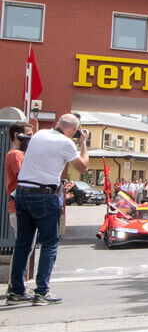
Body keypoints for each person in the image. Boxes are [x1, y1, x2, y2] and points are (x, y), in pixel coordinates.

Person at [7, 113, 89, 305]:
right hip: (44, 195)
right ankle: (41, 292)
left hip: (22, 192)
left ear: (56, 124)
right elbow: (83, 167)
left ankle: (16, 292)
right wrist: (83, 143)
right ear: (74, 130)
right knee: (49, 243)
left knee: (23, 243)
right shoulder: (66, 143)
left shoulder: (39, 135)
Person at [4, 121, 34, 240]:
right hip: (19, 205)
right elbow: (24, 175)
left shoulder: (20, 153)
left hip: (21, 205)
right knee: (24, 246)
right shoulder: (15, 154)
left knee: (25, 246)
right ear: (17, 135)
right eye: (29, 135)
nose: (31, 138)